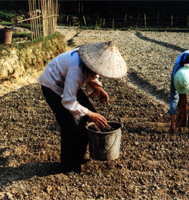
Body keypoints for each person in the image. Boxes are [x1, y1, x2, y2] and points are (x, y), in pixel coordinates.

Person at [38, 41, 127, 173]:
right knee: (68, 125)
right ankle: (68, 166)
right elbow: (68, 101)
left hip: (67, 81)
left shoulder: (89, 61)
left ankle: (78, 156)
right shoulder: (76, 70)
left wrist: (98, 88)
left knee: (89, 117)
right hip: (52, 84)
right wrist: (90, 114)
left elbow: (92, 74)